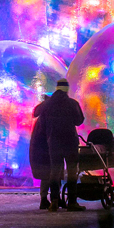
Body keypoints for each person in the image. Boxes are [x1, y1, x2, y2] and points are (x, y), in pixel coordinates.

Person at [37, 78, 85, 211]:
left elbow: (41, 121)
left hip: (53, 142)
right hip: (70, 141)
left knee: (55, 172)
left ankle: (54, 202)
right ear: (67, 89)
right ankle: (72, 202)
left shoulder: (47, 104)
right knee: (71, 172)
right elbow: (79, 120)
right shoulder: (71, 103)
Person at [29, 96, 51, 210]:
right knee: (52, 173)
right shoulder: (49, 117)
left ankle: (44, 198)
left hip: (40, 150)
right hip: (48, 149)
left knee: (46, 175)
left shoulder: (40, 117)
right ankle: (53, 199)